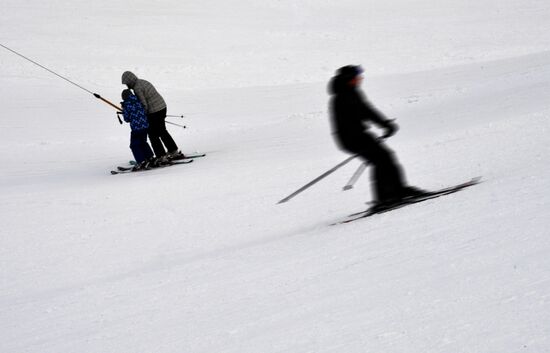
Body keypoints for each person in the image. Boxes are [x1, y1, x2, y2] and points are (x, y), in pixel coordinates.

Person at [328, 65, 425, 208]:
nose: (360, 78)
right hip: (350, 138)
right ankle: (384, 197)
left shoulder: (352, 92)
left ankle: (398, 190)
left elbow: (367, 110)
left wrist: (385, 124)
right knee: (381, 160)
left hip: (359, 135)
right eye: (357, 76)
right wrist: (382, 126)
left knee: (386, 157)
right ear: (349, 79)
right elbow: (361, 114)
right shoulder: (342, 97)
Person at [121, 71, 184, 163]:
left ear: (130, 81)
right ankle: (173, 151)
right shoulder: (142, 81)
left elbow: (144, 105)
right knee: (162, 131)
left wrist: (138, 114)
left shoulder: (137, 88)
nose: (127, 86)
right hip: (162, 107)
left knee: (152, 134)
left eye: (127, 83)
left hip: (154, 111)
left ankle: (161, 156)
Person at [120, 89, 155, 171]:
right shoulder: (138, 100)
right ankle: (150, 158)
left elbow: (127, 119)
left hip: (136, 128)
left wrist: (124, 109)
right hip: (145, 126)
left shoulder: (127, 104)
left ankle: (141, 161)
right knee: (143, 142)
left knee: (134, 145)